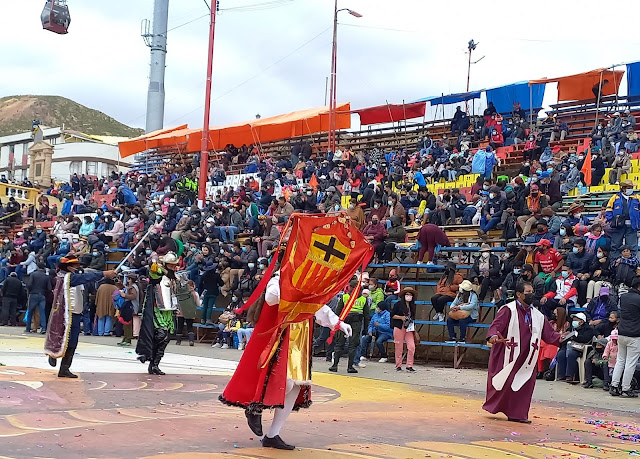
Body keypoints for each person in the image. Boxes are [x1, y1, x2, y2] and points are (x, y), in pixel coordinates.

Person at [483, 282, 561, 423]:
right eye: (528, 292)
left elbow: (549, 334)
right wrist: (493, 336)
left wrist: (563, 338)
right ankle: (502, 408)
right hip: (509, 353)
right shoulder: (508, 310)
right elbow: (496, 326)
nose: (531, 294)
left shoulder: (538, 315)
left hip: (528, 356)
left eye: (532, 291)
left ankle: (518, 414)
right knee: (506, 382)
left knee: (525, 384)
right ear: (519, 294)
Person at [44, 257, 117, 378]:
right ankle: (55, 355)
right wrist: (104, 273)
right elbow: (86, 278)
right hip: (67, 314)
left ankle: (64, 368)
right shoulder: (68, 278)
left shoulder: (69, 277)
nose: (78, 267)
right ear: (69, 267)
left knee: (72, 342)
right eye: (76, 265)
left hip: (76, 313)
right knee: (64, 338)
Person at [136, 249, 181, 376]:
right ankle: (149, 356)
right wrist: (154, 263)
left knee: (166, 338)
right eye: (171, 264)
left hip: (169, 309)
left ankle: (155, 364)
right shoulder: (159, 274)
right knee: (160, 335)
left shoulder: (174, 276)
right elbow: (154, 273)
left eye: (174, 264)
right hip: (158, 309)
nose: (173, 266)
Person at [610, 276, 640, 397]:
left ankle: (614, 385)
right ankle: (626, 389)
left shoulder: (624, 297)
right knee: (630, 362)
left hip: (622, 332)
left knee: (620, 360)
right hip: (635, 334)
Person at [331, 285, 370, 374]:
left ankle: (335, 366)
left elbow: (338, 312)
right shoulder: (363, 299)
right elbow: (366, 316)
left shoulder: (345, 297)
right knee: (350, 345)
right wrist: (365, 328)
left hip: (346, 322)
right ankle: (349, 367)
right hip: (353, 323)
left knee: (343, 344)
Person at [556, 312, 594, 383]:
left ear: (581, 322)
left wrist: (573, 337)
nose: (574, 322)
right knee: (561, 354)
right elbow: (563, 340)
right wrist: (564, 337)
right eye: (573, 320)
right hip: (568, 346)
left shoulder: (588, 329)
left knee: (571, 354)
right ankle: (561, 375)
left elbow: (586, 339)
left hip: (579, 348)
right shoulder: (571, 328)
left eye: (576, 320)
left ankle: (570, 376)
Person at [390, 287, 418, 372]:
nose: (409, 296)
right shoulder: (398, 304)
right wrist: (401, 317)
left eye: (410, 294)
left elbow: (413, 317)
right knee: (399, 346)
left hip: (409, 328)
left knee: (411, 346)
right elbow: (392, 315)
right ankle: (398, 365)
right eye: (407, 294)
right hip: (399, 326)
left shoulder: (412, 306)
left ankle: (409, 365)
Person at [26, 264, 51, 334]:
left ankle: (28, 328)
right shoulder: (46, 277)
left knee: (30, 312)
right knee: (42, 312)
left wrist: (30, 290)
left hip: (33, 294)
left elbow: (29, 284)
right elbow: (49, 288)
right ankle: (43, 328)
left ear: (37, 267)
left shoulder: (33, 274)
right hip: (42, 295)